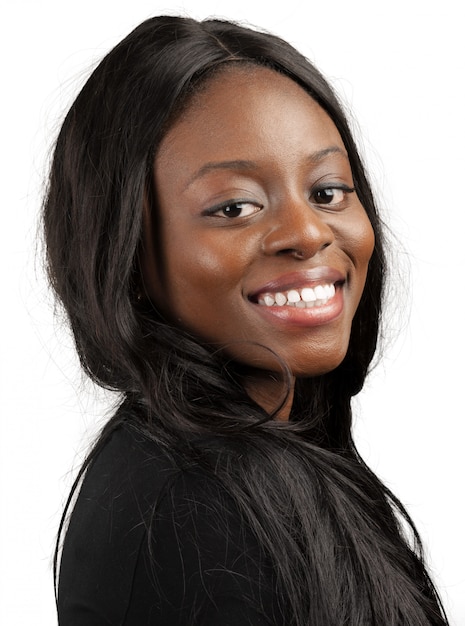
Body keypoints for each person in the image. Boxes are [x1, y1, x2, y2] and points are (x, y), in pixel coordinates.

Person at [43, 15, 449, 626]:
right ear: (123, 248)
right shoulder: (195, 518)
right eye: (234, 206)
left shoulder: (271, 470)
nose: (308, 233)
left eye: (328, 191)